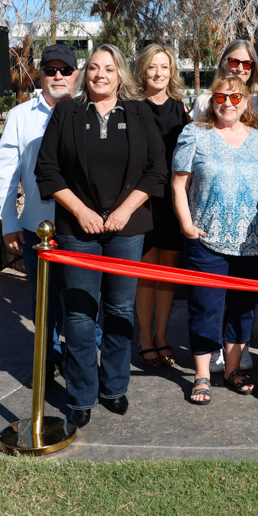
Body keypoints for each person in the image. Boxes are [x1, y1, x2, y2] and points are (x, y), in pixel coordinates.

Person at [34, 44, 167, 428]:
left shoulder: (140, 112)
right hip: (78, 230)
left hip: (128, 229)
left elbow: (157, 170)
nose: (100, 75)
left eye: (108, 68)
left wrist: (125, 210)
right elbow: (48, 171)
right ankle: (81, 394)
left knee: (121, 309)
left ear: (120, 73)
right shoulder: (67, 112)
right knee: (78, 314)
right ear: (84, 74)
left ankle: (114, 387)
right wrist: (82, 212)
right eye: (93, 68)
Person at [172, 75, 258, 405]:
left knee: (242, 309)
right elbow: (178, 184)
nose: (227, 102)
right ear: (211, 101)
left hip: (251, 242)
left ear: (245, 103)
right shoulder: (194, 134)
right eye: (221, 97)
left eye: (235, 97)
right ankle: (202, 375)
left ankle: (233, 370)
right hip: (206, 238)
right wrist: (187, 225)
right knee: (205, 307)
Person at [0, 43, 79, 382]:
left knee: (85, 300)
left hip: (83, 228)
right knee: (43, 301)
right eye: (50, 70)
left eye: (65, 70)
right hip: (36, 227)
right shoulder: (20, 116)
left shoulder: (91, 113)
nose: (57, 76)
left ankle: (82, 361)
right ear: (40, 74)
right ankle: (47, 357)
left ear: (76, 75)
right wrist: (9, 222)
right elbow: (6, 172)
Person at [133, 43, 190, 369]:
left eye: (164, 67)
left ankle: (162, 335)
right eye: (153, 67)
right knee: (145, 272)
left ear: (172, 71)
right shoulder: (132, 106)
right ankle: (145, 338)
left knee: (168, 272)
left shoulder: (180, 108)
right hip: (141, 201)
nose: (158, 73)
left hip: (172, 200)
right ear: (143, 70)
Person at [190, 40, 258, 124]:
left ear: (253, 68)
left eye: (247, 64)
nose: (240, 69)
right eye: (234, 62)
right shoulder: (203, 101)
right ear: (223, 63)